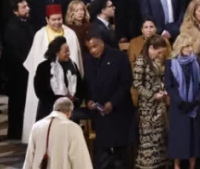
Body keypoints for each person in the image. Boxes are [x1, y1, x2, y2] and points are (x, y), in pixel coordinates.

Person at [22, 4, 84, 143]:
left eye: (59, 19)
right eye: (53, 19)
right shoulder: (40, 35)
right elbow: (34, 62)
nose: (57, 22)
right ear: (47, 19)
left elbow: (76, 63)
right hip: (48, 95)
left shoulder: (70, 34)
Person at [82, 35, 134, 169]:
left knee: (120, 151)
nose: (93, 51)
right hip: (100, 113)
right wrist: (89, 100)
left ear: (102, 43)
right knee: (102, 150)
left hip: (119, 110)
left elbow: (126, 82)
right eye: (89, 48)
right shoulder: (88, 60)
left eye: (95, 46)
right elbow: (86, 84)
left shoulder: (118, 57)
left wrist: (112, 102)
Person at [166, 33, 200, 169]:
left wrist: (195, 101)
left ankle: (192, 166)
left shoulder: (196, 61)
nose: (190, 49)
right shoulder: (170, 63)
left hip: (194, 108)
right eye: (187, 46)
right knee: (178, 139)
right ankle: (176, 166)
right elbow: (169, 86)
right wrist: (180, 102)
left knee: (193, 140)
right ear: (180, 47)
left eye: (191, 46)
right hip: (179, 108)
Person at [21, 98, 93, 169]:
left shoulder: (36, 126)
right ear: (69, 112)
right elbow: (80, 159)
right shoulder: (73, 128)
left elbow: (29, 157)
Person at [133, 34, 169, 169]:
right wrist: (152, 96)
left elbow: (160, 79)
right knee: (148, 140)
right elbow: (137, 84)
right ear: (151, 48)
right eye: (159, 52)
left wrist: (163, 90)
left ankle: (159, 164)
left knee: (160, 138)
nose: (160, 55)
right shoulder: (141, 61)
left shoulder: (157, 62)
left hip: (159, 106)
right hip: (147, 108)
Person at [32, 36, 86, 122]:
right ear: (56, 53)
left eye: (69, 51)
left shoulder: (73, 66)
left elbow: (80, 87)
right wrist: (60, 99)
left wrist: (75, 99)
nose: (68, 53)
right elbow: (40, 91)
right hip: (49, 110)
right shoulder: (44, 67)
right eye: (65, 51)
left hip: (70, 109)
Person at [3, 0, 35, 140]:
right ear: (16, 11)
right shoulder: (12, 27)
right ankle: (15, 131)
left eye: (27, 5)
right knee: (17, 102)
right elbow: (16, 51)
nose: (28, 8)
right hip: (17, 71)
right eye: (24, 7)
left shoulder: (27, 24)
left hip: (26, 69)